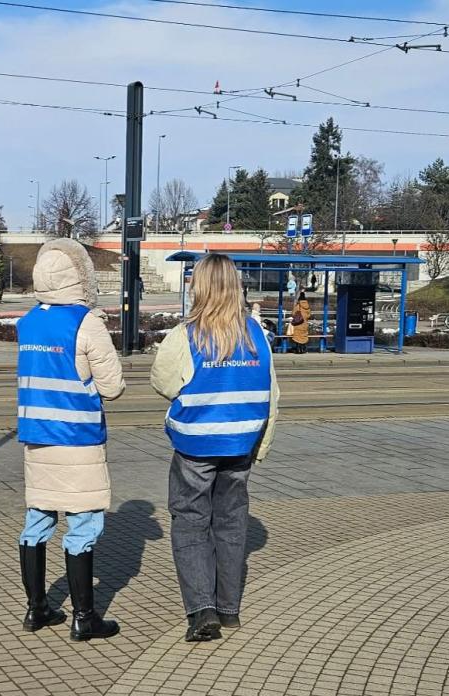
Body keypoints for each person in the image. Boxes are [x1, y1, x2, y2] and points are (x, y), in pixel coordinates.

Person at [151, 253, 278, 643]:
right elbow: (272, 394)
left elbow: (163, 382)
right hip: (241, 444)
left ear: (199, 287)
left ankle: (201, 610)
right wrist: (261, 444)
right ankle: (229, 609)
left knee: (190, 521)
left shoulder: (185, 335)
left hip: (196, 446)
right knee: (231, 522)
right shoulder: (256, 333)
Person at [16, 238, 125, 642]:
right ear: (80, 276)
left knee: (37, 521)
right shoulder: (86, 322)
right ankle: (84, 618)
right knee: (82, 523)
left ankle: (36, 610)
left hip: (37, 438)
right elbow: (113, 387)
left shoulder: (28, 322)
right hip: (77, 438)